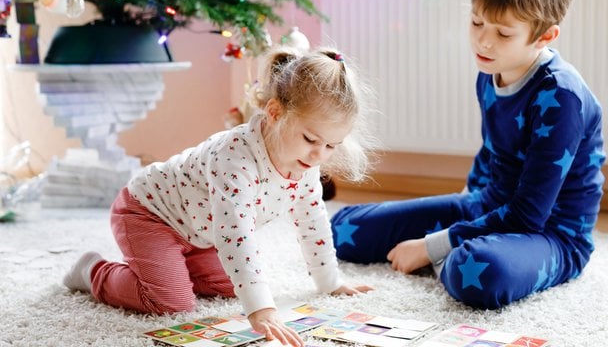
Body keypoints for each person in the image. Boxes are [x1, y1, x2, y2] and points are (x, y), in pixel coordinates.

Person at [331, 0, 605, 310]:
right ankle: (455, 251)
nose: (484, 42)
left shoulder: (562, 96)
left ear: (545, 36)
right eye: (476, 23)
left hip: (550, 234)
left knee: (476, 270)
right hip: (488, 207)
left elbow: (528, 215)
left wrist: (431, 246)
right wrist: (460, 211)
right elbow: (494, 152)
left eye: (503, 33)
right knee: (344, 230)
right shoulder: (490, 71)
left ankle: (453, 257)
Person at [63, 46, 376, 346]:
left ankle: (174, 264)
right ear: (275, 112)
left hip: (199, 234)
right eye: (310, 139)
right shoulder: (235, 157)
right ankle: (93, 270)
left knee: (229, 287)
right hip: (149, 213)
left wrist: (329, 282)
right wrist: (261, 309)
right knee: (172, 303)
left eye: (332, 146)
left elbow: (313, 222)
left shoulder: (305, 164)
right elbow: (235, 233)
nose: (320, 154)